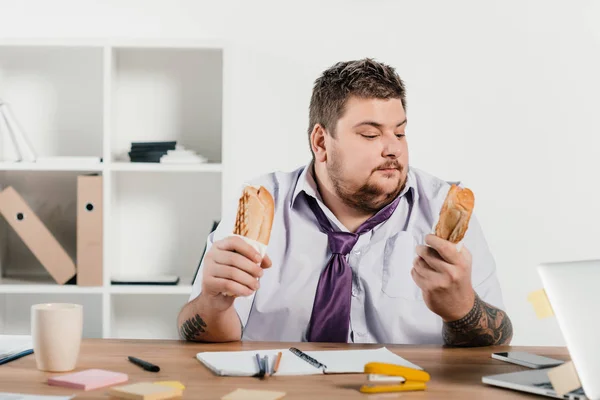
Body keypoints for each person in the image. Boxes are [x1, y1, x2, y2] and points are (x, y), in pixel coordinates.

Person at [177, 58, 513, 346]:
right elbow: (198, 332)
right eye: (370, 134)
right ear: (321, 142)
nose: (393, 148)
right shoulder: (258, 206)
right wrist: (214, 303)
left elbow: (497, 342)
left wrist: (462, 309)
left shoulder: (445, 209)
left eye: (399, 132)